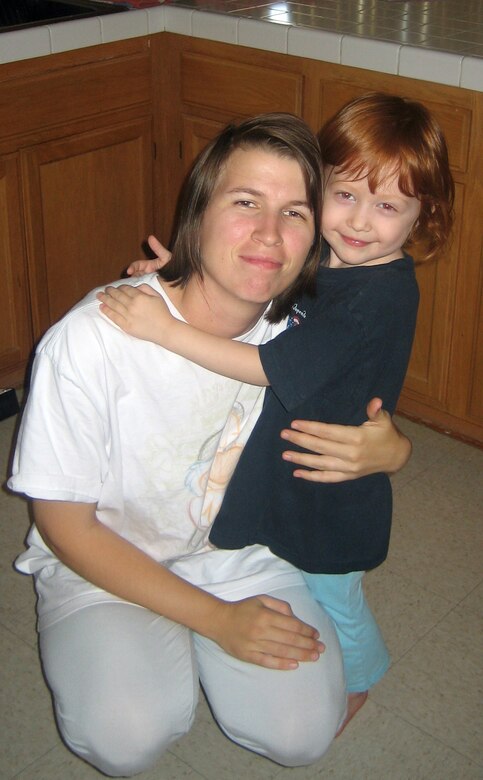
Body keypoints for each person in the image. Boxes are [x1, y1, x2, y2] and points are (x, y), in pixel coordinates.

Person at [8, 112, 406, 778]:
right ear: (196, 216)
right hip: (104, 556)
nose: (268, 235)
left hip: (242, 547)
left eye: (294, 213)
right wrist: (215, 620)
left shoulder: (300, 326)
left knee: (302, 733)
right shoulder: (91, 338)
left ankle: (182, 639)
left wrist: (395, 452)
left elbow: (364, 395)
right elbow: (62, 523)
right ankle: (164, 639)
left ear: (314, 241)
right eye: (245, 202)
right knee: (125, 738)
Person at [98, 93, 455, 734]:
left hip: (329, 486)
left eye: (387, 207)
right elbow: (259, 274)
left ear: (421, 216)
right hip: (297, 460)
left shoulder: (373, 298)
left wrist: (163, 328)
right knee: (300, 575)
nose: (359, 222)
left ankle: (359, 679)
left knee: (335, 595)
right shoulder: (336, 258)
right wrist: (178, 274)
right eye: (344, 195)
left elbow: (267, 367)